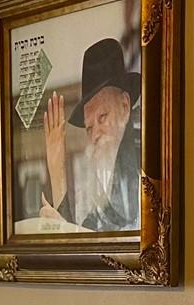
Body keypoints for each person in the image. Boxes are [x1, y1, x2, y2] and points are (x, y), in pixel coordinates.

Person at [39, 37, 142, 232]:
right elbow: (85, 241)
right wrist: (57, 170)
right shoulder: (104, 186)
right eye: (89, 128)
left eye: (102, 117)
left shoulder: (145, 161)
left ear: (125, 106)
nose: (95, 134)